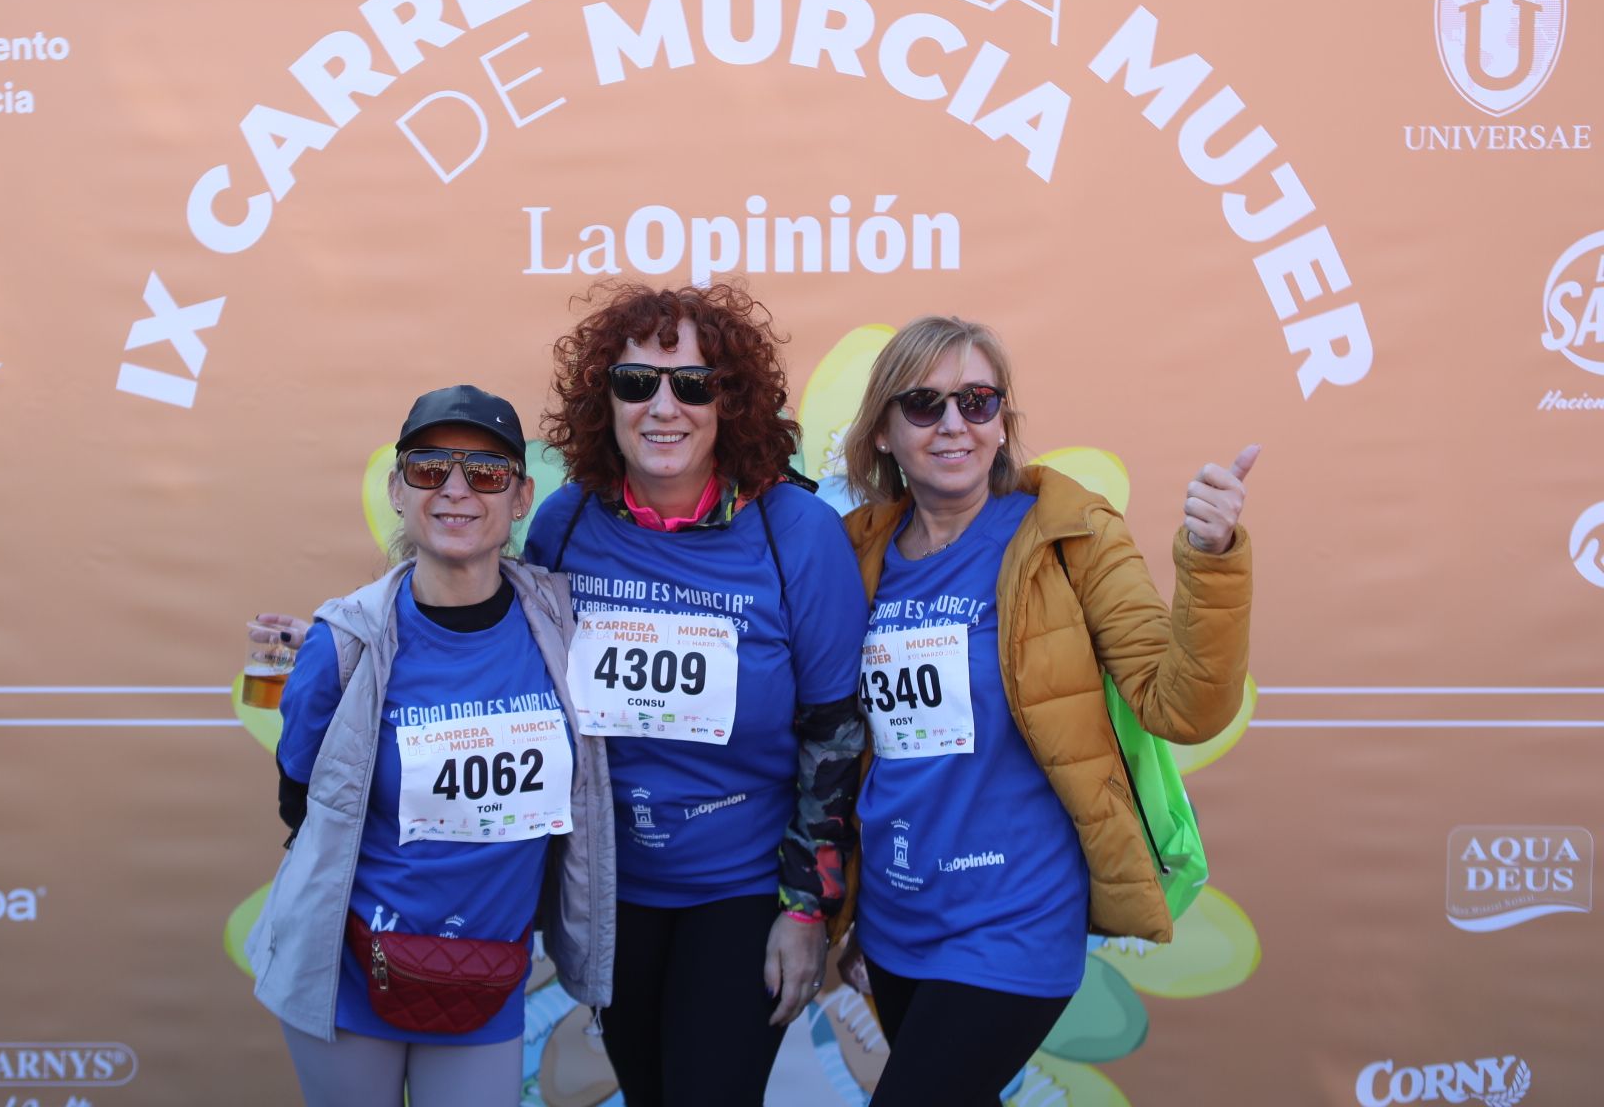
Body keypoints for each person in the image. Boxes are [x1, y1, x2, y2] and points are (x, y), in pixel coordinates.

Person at [830, 315, 1256, 1106]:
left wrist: (1212, 558)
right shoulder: (853, 551)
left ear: (1003, 424)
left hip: (1015, 920)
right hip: (896, 920)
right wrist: (851, 910)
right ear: (884, 432)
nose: (954, 424)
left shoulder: (1071, 534)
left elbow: (1184, 705)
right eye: (924, 404)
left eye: (978, 401)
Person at [519, 282, 868, 1107]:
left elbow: (836, 734)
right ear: (604, 400)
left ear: (729, 401)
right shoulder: (563, 526)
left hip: (743, 891)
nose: (663, 407)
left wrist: (806, 909)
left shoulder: (796, 533)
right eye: (637, 383)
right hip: (611, 890)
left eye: (693, 384)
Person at [245, 385, 614, 1107]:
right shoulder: (342, 643)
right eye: (427, 468)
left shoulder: (566, 627)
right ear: (396, 490)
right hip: (352, 973)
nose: (455, 490)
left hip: (487, 978)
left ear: (519, 498)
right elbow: (301, 801)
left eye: (484, 471)